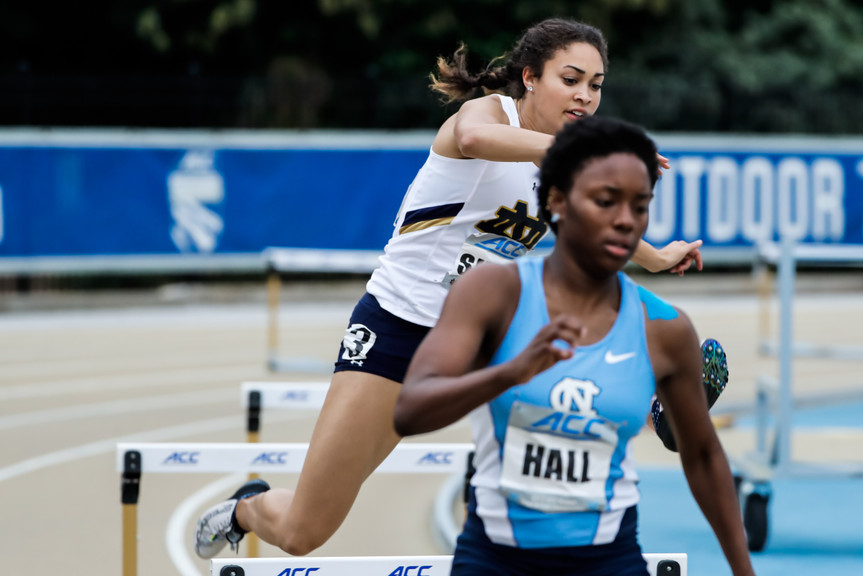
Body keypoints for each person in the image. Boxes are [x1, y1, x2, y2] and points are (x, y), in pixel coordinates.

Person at [194, 17, 704, 559]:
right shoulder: (486, 115)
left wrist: (657, 257)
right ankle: (247, 507)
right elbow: (473, 138)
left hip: (477, 333)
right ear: (530, 77)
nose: (584, 96)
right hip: (396, 328)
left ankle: (654, 390)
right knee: (304, 531)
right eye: (571, 79)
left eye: (596, 85)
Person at [393, 116, 754, 575]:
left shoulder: (665, 328)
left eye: (640, 206)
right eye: (606, 202)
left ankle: (658, 410)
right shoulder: (493, 294)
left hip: (610, 560)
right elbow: (410, 409)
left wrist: (744, 571)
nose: (626, 220)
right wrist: (510, 372)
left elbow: (703, 456)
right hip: (495, 561)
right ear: (557, 201)